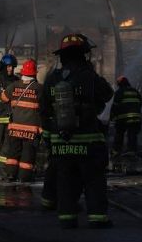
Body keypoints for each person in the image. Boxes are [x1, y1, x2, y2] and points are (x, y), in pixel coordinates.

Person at [40, 33, 114, 229]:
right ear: (83, 55)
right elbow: (107, 94)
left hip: (61, 145)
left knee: (65, 182)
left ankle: (67, 219)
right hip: (88, 142)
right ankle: (97, 218)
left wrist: (49, 139)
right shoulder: (89, 77)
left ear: (62, 56)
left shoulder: (52, 79)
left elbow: (45, 111)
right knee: (94, 180)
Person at [0, 59, 42, 182]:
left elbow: (4, 98)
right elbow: (45, 108)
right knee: (27, 156)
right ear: (34, 74)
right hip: (31, 131)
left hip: (15, 129)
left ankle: (10, 175)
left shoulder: (14, 86)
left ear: (22, 72)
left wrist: (3, 92)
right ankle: (24, 178)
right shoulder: (39, 88)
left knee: (13, 154)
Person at [110, 76, 142, 155]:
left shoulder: (119, 92)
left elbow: (115, 106)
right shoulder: (135, 91)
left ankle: (116, 150)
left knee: (119, 133)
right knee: (132, 133)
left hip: (123, 118)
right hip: (136, 117)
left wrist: (112, 116)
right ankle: (132, 150)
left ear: (120, 84)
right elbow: (140, 103)